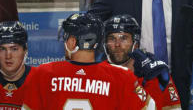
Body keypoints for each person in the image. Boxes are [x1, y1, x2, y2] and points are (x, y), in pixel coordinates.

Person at [22, 13, 155, 109]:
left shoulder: (43, 72)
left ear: (72, 42)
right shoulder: (121, 76)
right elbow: (150, 108)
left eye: (66, 38)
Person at [103, 14, 181, 109]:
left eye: (123, 38)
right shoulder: (97, 74)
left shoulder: (154, 72)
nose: (117, 44)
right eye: (112, 38)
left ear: (135, 43)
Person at [0, 21, 36, 109]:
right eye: (2, 49)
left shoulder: (39, 79)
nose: (8, 56)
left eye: (14, 49)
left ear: (25, 50)